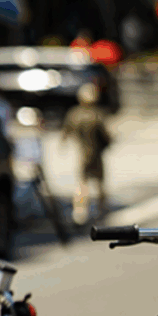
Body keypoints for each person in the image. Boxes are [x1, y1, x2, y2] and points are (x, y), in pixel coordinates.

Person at [61, 81, 111, 225]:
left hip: (82, 153)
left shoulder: (74, 114)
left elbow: (65, 132)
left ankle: (80, 211)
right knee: (99, 184)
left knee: (82, 183)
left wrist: (63, 145)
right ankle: (101, 210)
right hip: (96, 153)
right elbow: (106, 136)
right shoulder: (97, 115)